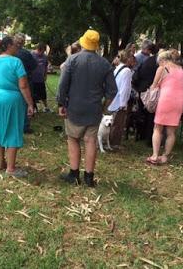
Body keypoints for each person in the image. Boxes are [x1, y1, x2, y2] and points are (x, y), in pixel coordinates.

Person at [57, 29, 117, 187]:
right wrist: (105, 106)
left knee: (73, 139)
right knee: (91, 141)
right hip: (94, 109)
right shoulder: (105, 64)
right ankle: (89, 177)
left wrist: (61, 104)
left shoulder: (72, 60)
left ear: (83, 42)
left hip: (74, 107)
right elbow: (113, 91)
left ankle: (74, 174)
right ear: (96, 45)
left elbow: (62, 85)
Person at [0, 36, 34, 177]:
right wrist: (30, 103)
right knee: (12, 130)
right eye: (16, 45)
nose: (18, 48)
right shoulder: (16, 62)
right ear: (9, 45)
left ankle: (0, 163)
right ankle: (10, 169)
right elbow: (23, 85)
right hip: (11, 100)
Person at [146, 49, 183, 165]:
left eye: (159, 62)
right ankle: (165, 156)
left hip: (166, 99)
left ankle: (154, 155)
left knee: (158, 128)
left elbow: (154, 85)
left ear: (162, 60)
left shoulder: (162, 69)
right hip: (179, 100)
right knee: (171, 131)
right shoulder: (181, 70)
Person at [132, 44, 160, 143]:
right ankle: (148, 137)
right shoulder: (158, 64)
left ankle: (140, 135)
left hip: (142, 90)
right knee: (150, 115)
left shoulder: (147, 60)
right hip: (151, 92)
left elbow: (136, 75)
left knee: (141, 113)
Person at [108, 49, 135, 147]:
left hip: (114, 99)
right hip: (119, 101)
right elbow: (125, 88)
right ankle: (114, 143)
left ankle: (109, 141)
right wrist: (123, 104)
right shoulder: (127, 71)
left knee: (113, 122)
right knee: (118, 123)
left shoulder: (117, 68)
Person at [14, 33, 37, 133]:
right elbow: (34, 66)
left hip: (12, 81)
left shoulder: (9, 53)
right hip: (25, 80)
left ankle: (15, 124)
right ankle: (25, 126)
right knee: (26, 102)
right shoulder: (26, 53)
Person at [31, 43, 50, 112]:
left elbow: (45, 66)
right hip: (32, 79)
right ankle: (34, 108)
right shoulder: (31, 55)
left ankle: (46, 107)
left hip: (41, 79)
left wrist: (45, 75)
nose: (42, 53)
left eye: (43, 51)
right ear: (38, 49)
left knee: (43, 94)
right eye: (41, 51)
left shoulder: (45, 56)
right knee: (33, 95)